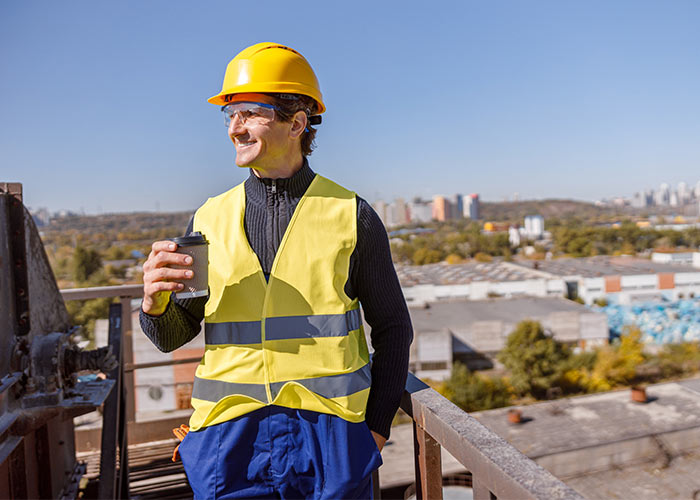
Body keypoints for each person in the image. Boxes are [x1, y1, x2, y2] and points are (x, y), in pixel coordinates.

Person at [140, 42, 412, 499]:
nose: (234, 128)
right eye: (229, 115)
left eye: (249, 112)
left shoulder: (352, 215)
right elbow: (172, 334)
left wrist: (375, 434)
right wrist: (153, 304)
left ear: (297, 122)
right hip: (229, 442)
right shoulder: (208, 219)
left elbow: (393, 328)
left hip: (330, 438)